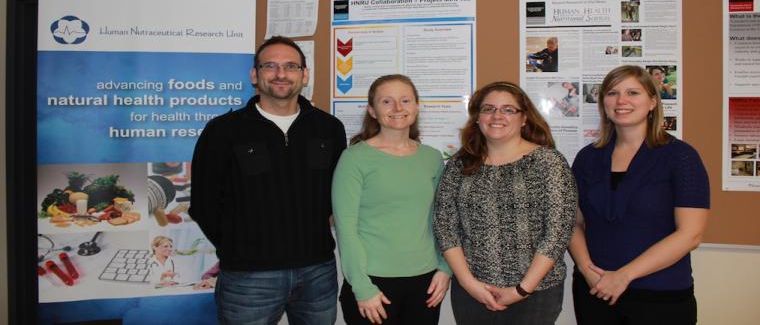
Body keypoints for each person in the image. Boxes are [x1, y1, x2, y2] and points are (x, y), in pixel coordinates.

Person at [190, 36, 347, 324]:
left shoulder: (329, 128)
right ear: (255, 74)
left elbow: (337, 195)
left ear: (304, 75)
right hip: (249, 277)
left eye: (291, 66)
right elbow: (203, 203)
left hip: (317, 272)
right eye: (270, 66)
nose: (281, 74)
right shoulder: (223, 131)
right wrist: (238, 247)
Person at [568, 65, 709, 325]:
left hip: (660, 297)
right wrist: (587, 270)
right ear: (603, 104)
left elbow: (691, 234)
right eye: (612, 93)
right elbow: (573, 222)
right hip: (595, 291)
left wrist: (623, 276)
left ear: (653, 102)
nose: (621, 101)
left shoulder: (681, 157)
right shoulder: (588, 158)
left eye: (633, 92)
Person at [434, 81, 577, 324]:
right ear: (478, 117)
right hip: (472, 293)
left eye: (508, 109)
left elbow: (558, 231)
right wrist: (469, 284)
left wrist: (522, 289)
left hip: (536, 293)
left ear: (524, 119)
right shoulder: (460, 165)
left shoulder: (548, 162)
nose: (497, 116)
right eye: (488, 109)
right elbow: (445, 227)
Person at [332, 74, 451, 325]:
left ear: (416, 107)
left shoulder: (431, 158)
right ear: (372, 111)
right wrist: (362, 287)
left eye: (405, 100)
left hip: (426, 281)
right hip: (373, 283)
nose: (397, 108)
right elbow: (346, 229)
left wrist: (445, 267)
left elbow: (442, 218)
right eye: (386, 102)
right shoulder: (354, 159)